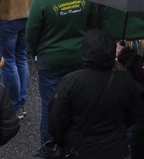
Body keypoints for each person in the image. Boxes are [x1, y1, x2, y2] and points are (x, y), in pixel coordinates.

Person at [26, 0, 94, 156]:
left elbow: (32, 33)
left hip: (51, 60)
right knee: (78, 103)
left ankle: (49, 146)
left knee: (50, 105)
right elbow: (93, 24)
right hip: (79, 58)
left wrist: (34, 52)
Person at [50, 29, 140, 158]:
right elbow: (133, 114)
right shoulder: (126, 79)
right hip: (116, 149)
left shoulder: (71, 81)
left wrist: (65, 143)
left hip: (81, 150)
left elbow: (57, 120)